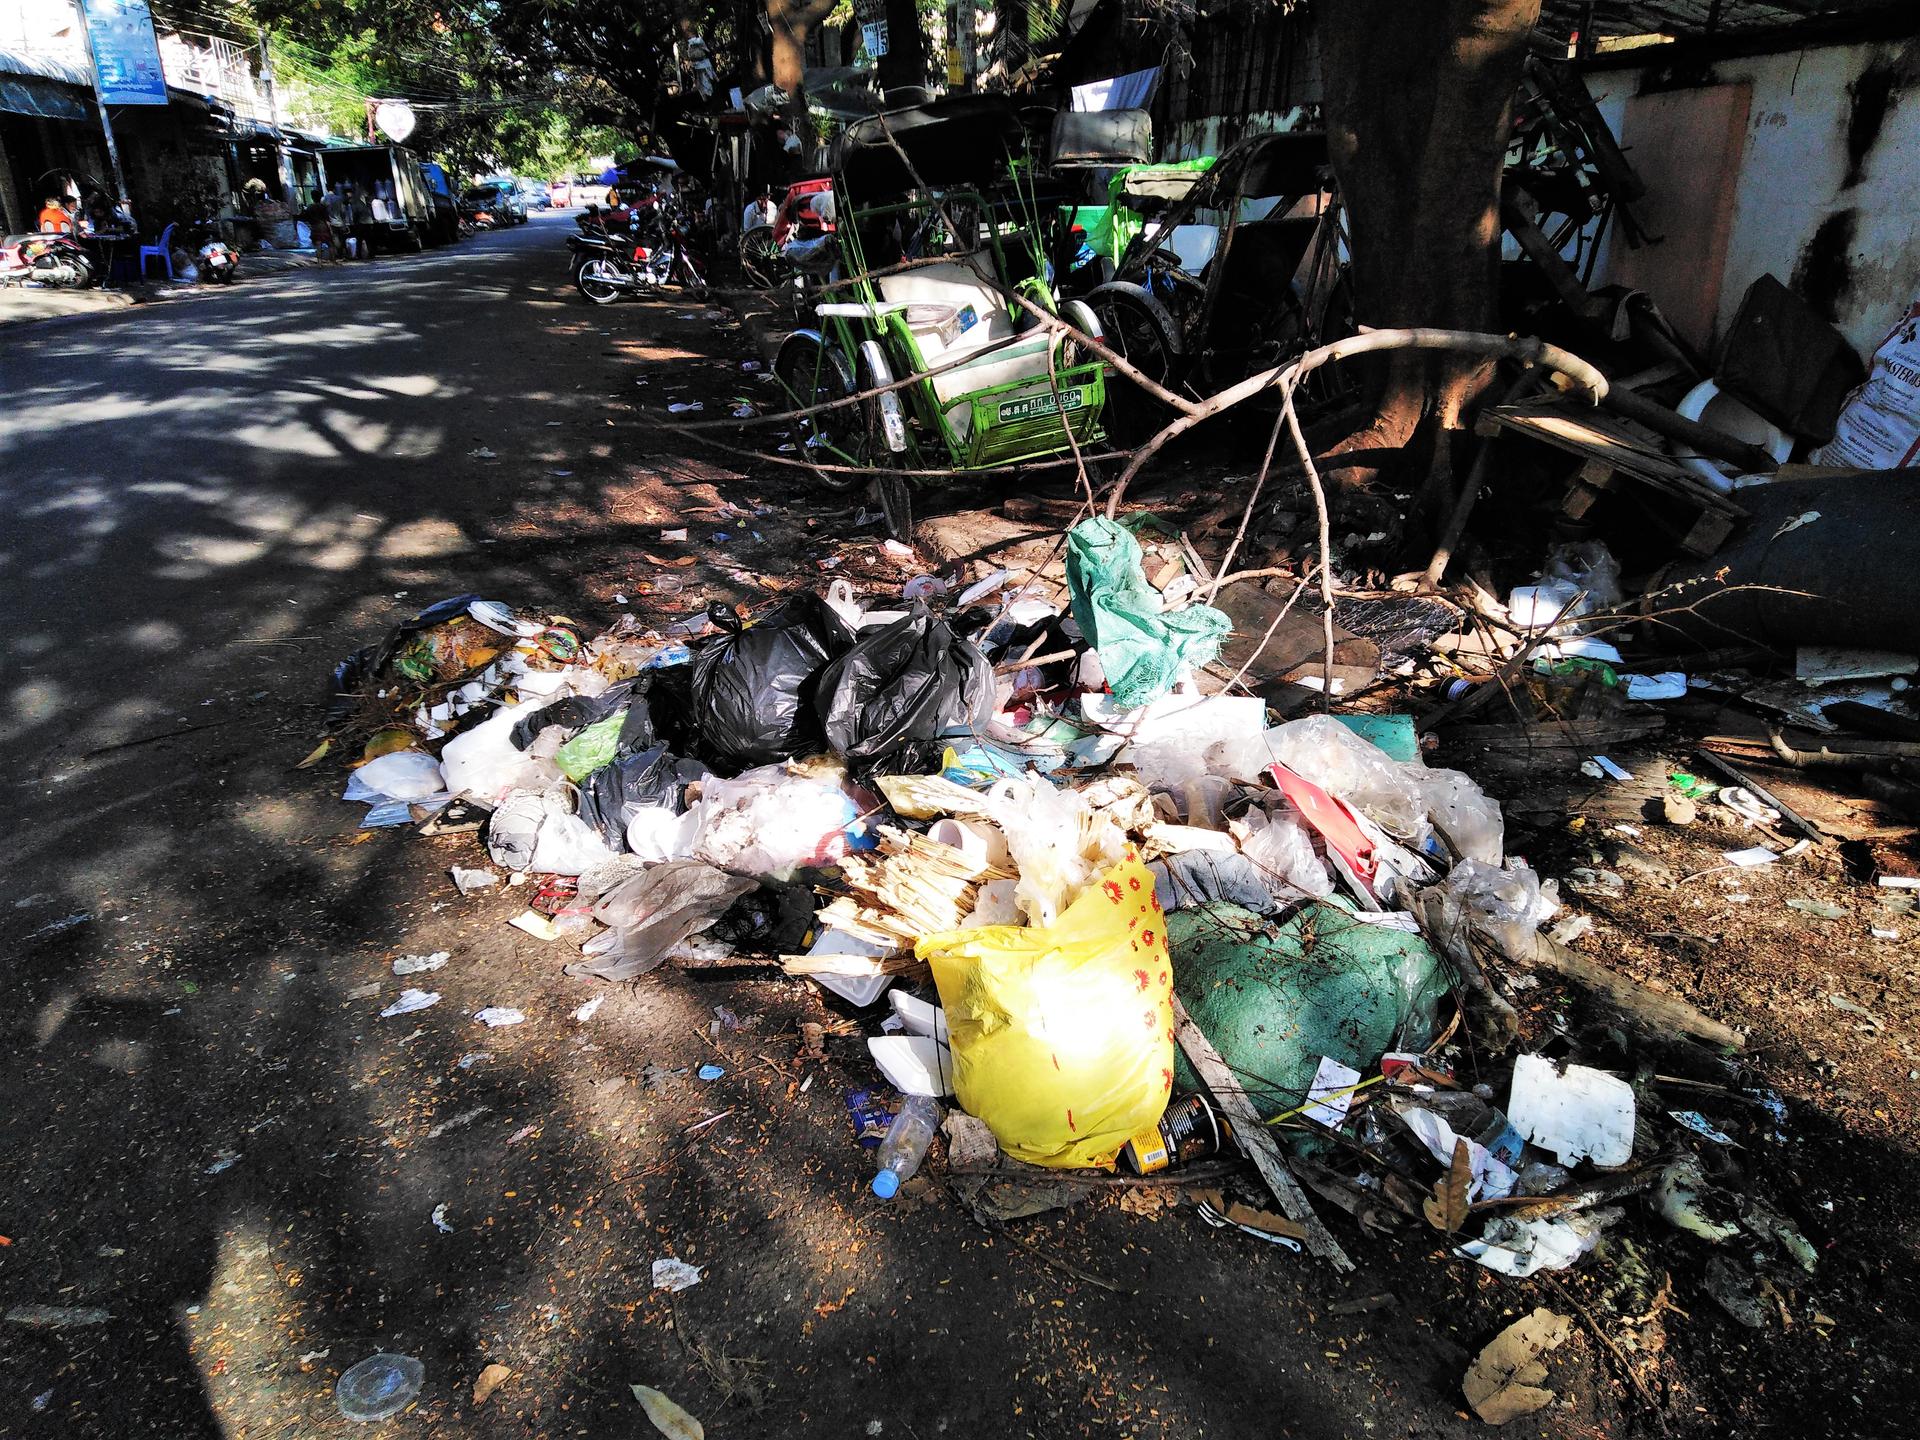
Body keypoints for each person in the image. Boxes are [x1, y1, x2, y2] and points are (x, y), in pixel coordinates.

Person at [324, 183, 351, 260]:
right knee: (342, 238)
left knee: (335, 239)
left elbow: (324, 212)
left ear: (326, 188)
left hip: (331, 222)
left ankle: (338, 254)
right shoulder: (339, 198)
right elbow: (343, 211)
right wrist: (345, 222)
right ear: (334, 189)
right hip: (340, 221)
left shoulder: (324, 199)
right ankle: (344, 254)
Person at [349, 186, 376, 260]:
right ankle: (371, 254)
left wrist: (354, 222)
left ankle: (359, 255)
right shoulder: (365, 202)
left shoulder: (356, 203)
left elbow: (355, 213)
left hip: (361, 223)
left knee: (359, 239)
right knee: (368, 239)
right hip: (367, 222)